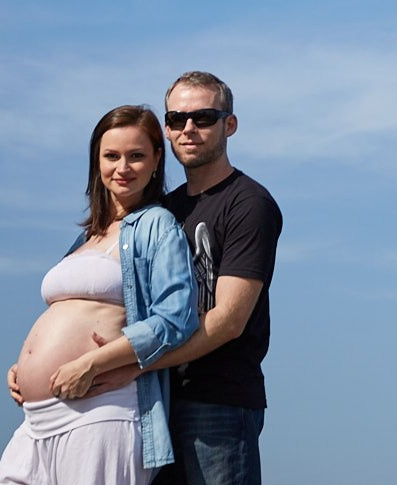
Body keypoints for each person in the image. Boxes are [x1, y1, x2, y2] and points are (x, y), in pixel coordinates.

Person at [0, 105, 198, 485]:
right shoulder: (87, 237)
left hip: (102, 412)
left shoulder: (156, 224)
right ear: (96, 162)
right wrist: (24, 367)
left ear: (157, 160)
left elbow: (176, 317)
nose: (123, 167)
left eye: (136, 156)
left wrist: (91, 363)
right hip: (39, 418)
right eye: (111, 156)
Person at [144, 71, 285, 485]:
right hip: (158, 401)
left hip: (220, 402)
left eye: (203, 118)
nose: (188, 129)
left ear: (230, 125)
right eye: (176, 119)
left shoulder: (249, 204)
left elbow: (228, 320)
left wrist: (134, 363)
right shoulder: (160, 212)